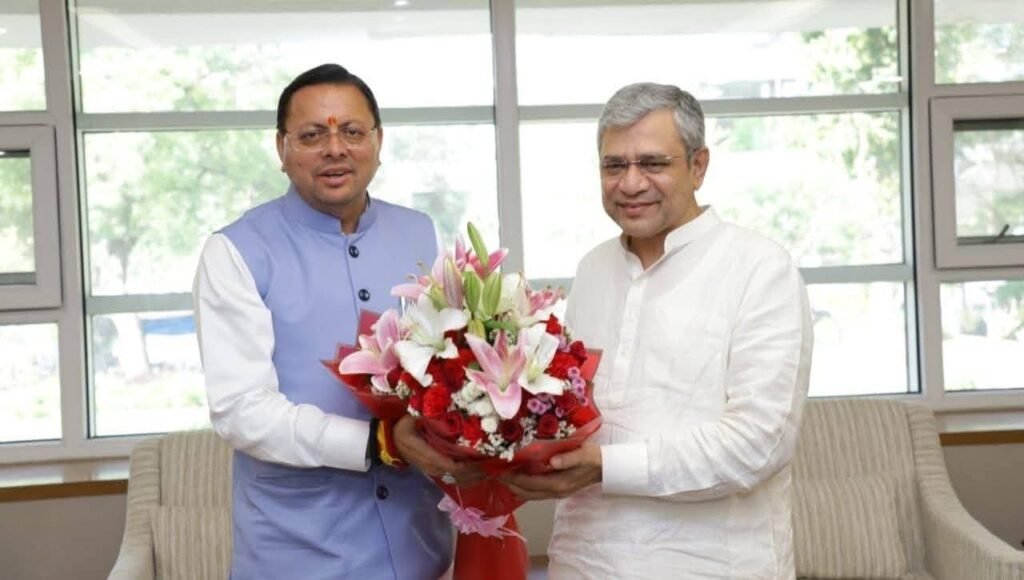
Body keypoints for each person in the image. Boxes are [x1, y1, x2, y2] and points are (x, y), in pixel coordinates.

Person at [505, 82, 814, 578]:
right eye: (614, 166)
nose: (631, 184)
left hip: (711, 566)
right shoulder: (593, 269)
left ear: (698, 166)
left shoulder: (760, 268)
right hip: (585, 560)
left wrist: (606, 465)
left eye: (652, 163)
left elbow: (759, 444)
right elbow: (568, 413)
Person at [192, 63, 476, 580]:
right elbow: (241, 410)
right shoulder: (236, 251)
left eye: (352, 131)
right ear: (281, 148)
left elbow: (444, 365)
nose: (335, 148)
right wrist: (377, 443)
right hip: (300, 555)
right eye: (311, 135)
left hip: (421, 549)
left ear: (378, 141)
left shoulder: (419, 232)